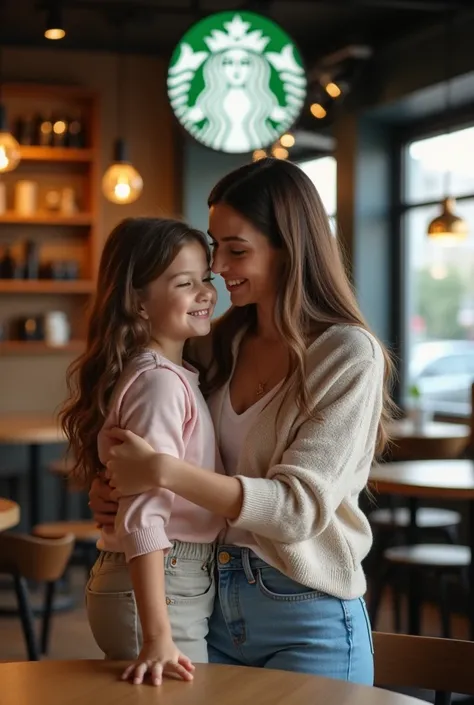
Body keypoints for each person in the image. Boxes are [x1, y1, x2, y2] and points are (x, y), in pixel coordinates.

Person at [89, 157, 393, 684]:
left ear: (288, 247)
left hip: (306, 608)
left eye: (237, 250)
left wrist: (159, 472)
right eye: (216, 248)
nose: (220, 268)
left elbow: (296, 510)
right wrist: (113, 486)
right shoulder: (215, 344)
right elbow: (160, 441)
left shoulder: (347, 354)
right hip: (207, 598)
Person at [60, 217, 224, 686]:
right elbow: (144, 512)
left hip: (166, 581)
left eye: (206, 279)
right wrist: (157, 635)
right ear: (139, 302)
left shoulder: (168, 373)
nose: (206, 293)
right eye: (184, 283)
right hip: (161, 586)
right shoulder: (159, 384)